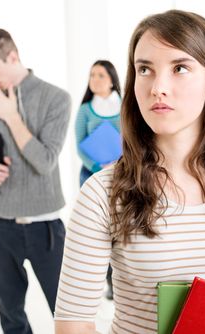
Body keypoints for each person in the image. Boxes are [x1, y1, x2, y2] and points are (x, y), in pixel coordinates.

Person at [54, 10, 205, 334]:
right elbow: (74, 322)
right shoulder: (101, 194)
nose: (157, 87)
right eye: (145, 69)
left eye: (179, 68)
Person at [0, 28, 71, 334]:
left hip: (45, 227)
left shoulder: (55, 98)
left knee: (67, 313)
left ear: (13, 57)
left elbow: (45, 161)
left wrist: (12, 117)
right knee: (11, 314)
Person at [75, 59, 122, 299]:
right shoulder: (85, 110)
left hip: (123, 174)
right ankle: (104, 279)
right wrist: (98, 166)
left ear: (112, 79)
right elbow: (79, 145)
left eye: (101, 75)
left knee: (121, 229)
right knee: (98, 230)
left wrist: (120, 164)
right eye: (92, 75)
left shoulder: (124, 106)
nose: (95, 79)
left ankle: (119, 278)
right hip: (92, 174)